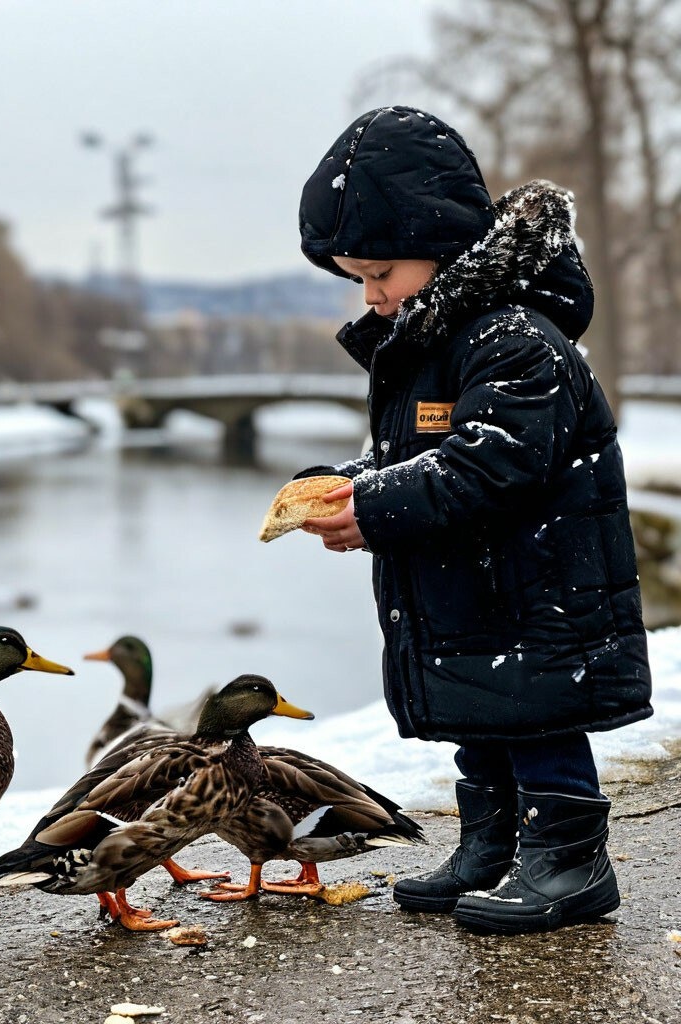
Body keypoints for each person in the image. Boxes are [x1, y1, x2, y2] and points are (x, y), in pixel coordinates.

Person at [292, 105, 653, 935]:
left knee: (537, 716)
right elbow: (424, 457)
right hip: (477, 582)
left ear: (442, 244)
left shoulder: (515, 339)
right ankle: (494, 842)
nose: (372, 296)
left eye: (381, 272)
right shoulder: (434, 337)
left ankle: (568, 857)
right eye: (356, 279)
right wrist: (349, 484)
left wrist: (375, 508)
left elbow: (492, 463)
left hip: (539, 587)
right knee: (486, 713)